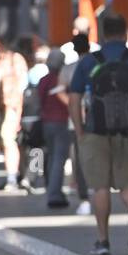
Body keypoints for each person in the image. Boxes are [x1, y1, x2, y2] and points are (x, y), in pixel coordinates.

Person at [68, 13, 128, 255]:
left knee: (100, 187)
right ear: (125, 32)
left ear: (103, 33)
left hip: (96, 131)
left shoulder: (89, 61)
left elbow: (73, 100)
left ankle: (103, 240)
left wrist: (80, 129)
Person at [59, 26, 92, 213]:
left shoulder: (69, 69)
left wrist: (72, 105)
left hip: (75, 118)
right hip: (97, 117)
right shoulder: (97, 65)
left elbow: (59, 90)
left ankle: (85, 196)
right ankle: (98, 187)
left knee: (79, 158)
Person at [37, 49, 72, 208]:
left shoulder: (44, 80)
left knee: (52, 157)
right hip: (62, 121)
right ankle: (54, 193)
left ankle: (53, 189)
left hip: (47, 122)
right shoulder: (63, 80)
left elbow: (40, 100)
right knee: (59, 158)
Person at [0, 35, 30, 193]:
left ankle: (13, 177)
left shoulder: (15, 59)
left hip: (12, 106)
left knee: (10, 141)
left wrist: (18, 109)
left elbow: (22, 85)